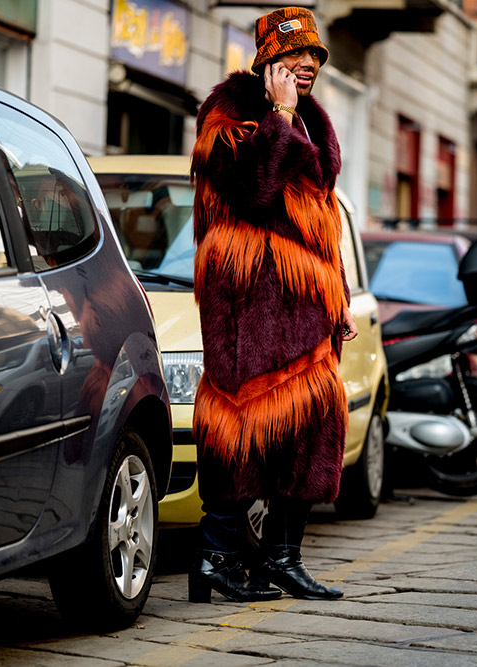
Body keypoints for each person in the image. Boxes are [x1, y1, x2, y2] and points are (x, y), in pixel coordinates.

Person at [188, 6, 358, 604]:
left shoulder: (311, 122)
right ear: (267, 58)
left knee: (309, 432)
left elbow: (322, 224)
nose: (307, 65)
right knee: (241, 431)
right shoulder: (229, 116)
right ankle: (216, 559)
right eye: (294, 55)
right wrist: (279, 117)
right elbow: (254, 194)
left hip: (305, 314)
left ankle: (281, 560)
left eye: (314, 56)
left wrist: (336, 296)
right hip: (250, 310)